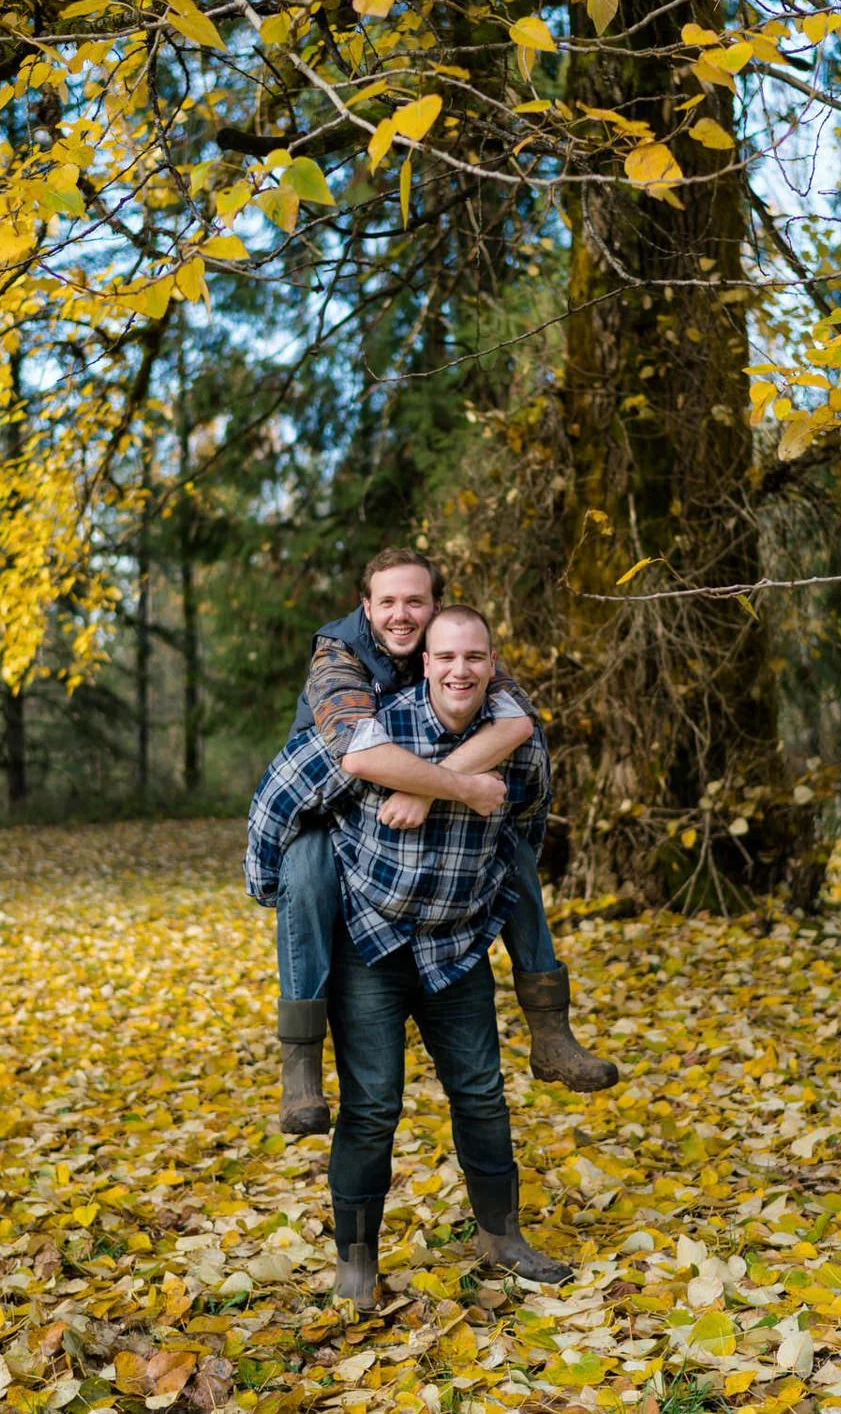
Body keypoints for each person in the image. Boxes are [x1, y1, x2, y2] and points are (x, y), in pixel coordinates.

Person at [247, 607, 576, 1308]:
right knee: (373, 1107)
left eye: (475, 658)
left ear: (492, 665)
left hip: (457, 949)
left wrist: (488, 892)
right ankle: (357, 1261)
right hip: (373, 945)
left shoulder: (517, 739)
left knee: (482, 1095)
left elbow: (529, 823)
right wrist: (272, 887)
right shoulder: (377, 730)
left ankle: (501, 1236)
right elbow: (277, 796)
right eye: (446, 657)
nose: (460, 670)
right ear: (423, 662)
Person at [269, 548, 617, 1133]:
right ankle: (300, 1064)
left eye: (415, 601)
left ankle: (552, 1033)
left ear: (433, 608)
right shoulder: (338, 657)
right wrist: (460, 786)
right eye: (388, 603)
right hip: (330, 809)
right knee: (304, 877)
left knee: (513, 851)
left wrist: (432, 793)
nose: (401, 614)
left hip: (432, 818)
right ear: (366, 607)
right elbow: (360, 753)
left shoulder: (455, 645)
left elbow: (515, 721)